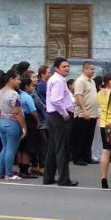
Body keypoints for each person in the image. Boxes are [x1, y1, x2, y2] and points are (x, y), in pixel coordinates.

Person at [44, 58, 77, 187]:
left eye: (68, 66)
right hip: (58, 116)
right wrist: (64, 113)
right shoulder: (58, 81)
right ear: (57, 68)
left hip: (53, 115)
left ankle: (48, 177)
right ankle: (64, 179)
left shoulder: (55, 79)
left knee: (53, 147)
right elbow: (55, 100)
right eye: (64, 66)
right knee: (62, 149)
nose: (67, 68)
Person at [0, 70, 25, 180]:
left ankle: (0, 172)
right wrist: (24, 126)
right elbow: (18, 111)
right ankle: (8, 174)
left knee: (5, 147)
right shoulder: (14, 94)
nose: (19, 81)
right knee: (11, 148)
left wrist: (2, 114)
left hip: (1, 121)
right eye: (18, 79)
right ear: (11, 79)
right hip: (12, 122)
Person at [72, 61, 99, 166]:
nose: (93, 71)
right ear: (85, 69)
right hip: (83, 114)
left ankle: (87, 157)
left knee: (89, 137)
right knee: (80, 137)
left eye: (93, 69)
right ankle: (78, 158)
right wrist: (84, 110)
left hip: (92, 114)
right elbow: (78, 95)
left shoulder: (91, 81)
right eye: (91, 69)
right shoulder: (80, 81)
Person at [17, 77, 40, 179]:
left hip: (19, 120)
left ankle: (21, 168)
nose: (33, 88)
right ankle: (25, 170)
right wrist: (38, 121)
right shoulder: (27, 97)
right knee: (27, 147)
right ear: (26, 87)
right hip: (28, 120)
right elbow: (33, 112)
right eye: (32, 85)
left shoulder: (18, 95)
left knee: (21, 146)